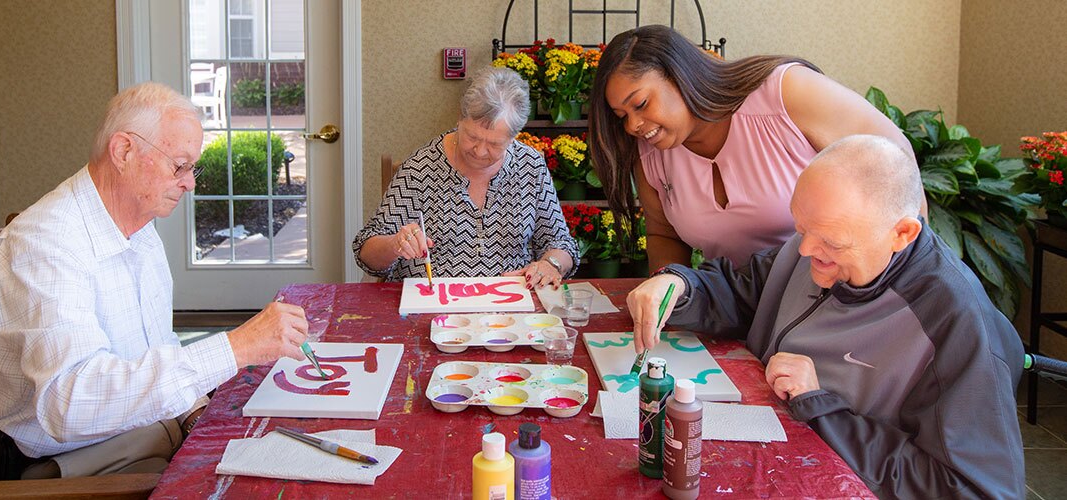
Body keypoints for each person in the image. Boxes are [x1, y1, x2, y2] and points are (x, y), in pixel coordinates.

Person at [627, 135, 1024, 499]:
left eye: (831, 243)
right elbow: (742, 291)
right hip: (763, 455)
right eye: (802, 229)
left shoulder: (953, 323)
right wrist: (679, 286)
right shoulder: (816, 244)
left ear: (901, 234)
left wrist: (822, 406)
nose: (804, 252)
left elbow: (971, 489)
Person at [0, 82, 310, 480]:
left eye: (192, 167)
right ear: (124, 151)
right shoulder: (42, 246)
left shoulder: (136, 225)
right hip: (48, 471)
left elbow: (155, 343)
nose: (190, 183)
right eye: (178, 166)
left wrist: (195, 416)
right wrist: (237, 346)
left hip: (129, 435)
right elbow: (70, 404)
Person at [589, 25, 920, 271]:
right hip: (744, 312)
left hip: (838, 303)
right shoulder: (650, 152)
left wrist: (901, 281)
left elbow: (895, 162)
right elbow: (664, 235)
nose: (633, 125)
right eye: (622, 116)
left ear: (680, 75)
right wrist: (669, 297)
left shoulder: (786, 92)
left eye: (642, 103)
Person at [354, 67, 579, 288]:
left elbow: (561, 243)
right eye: (472, 136)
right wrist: (395, 244)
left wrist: (551, 264)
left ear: (514, 137)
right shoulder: (421, 168)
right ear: (460, 119)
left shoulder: (530, 166)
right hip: (432, 307)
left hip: (510, 309)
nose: (479, 151)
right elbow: (366, 253)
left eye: (494, 144)